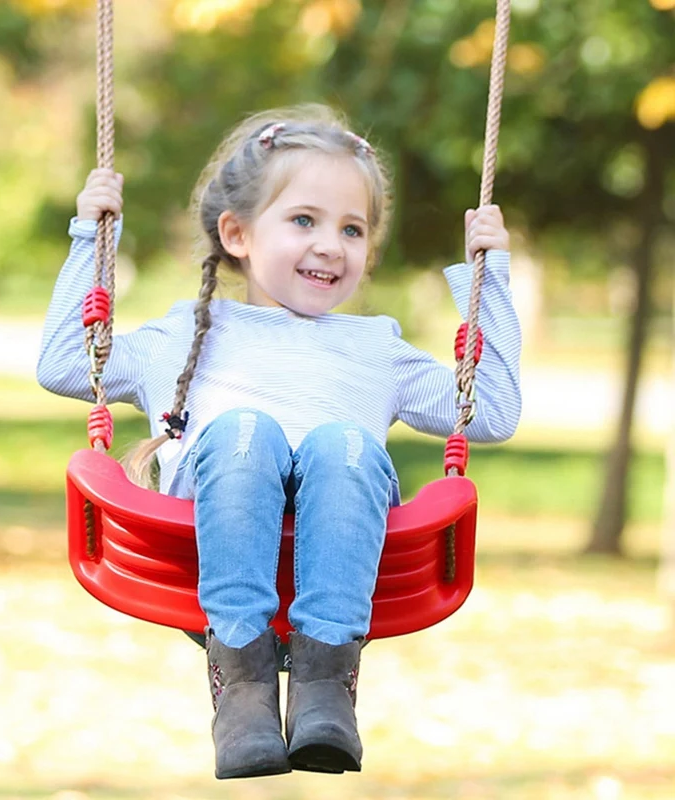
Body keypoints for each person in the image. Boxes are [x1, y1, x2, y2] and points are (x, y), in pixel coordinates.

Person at [37, 103, 521, 780]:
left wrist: (490, 279)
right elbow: (66, 362)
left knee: (341, 444)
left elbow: (490, 409)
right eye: (304, 220)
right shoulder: (180, 336)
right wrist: (91, 237)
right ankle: (241, 688)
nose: (331, 244)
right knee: (244, 432)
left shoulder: (375, 348)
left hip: (341, 542)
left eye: (353, 229)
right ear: (236, 232)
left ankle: (327, 688)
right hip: (205, 545)